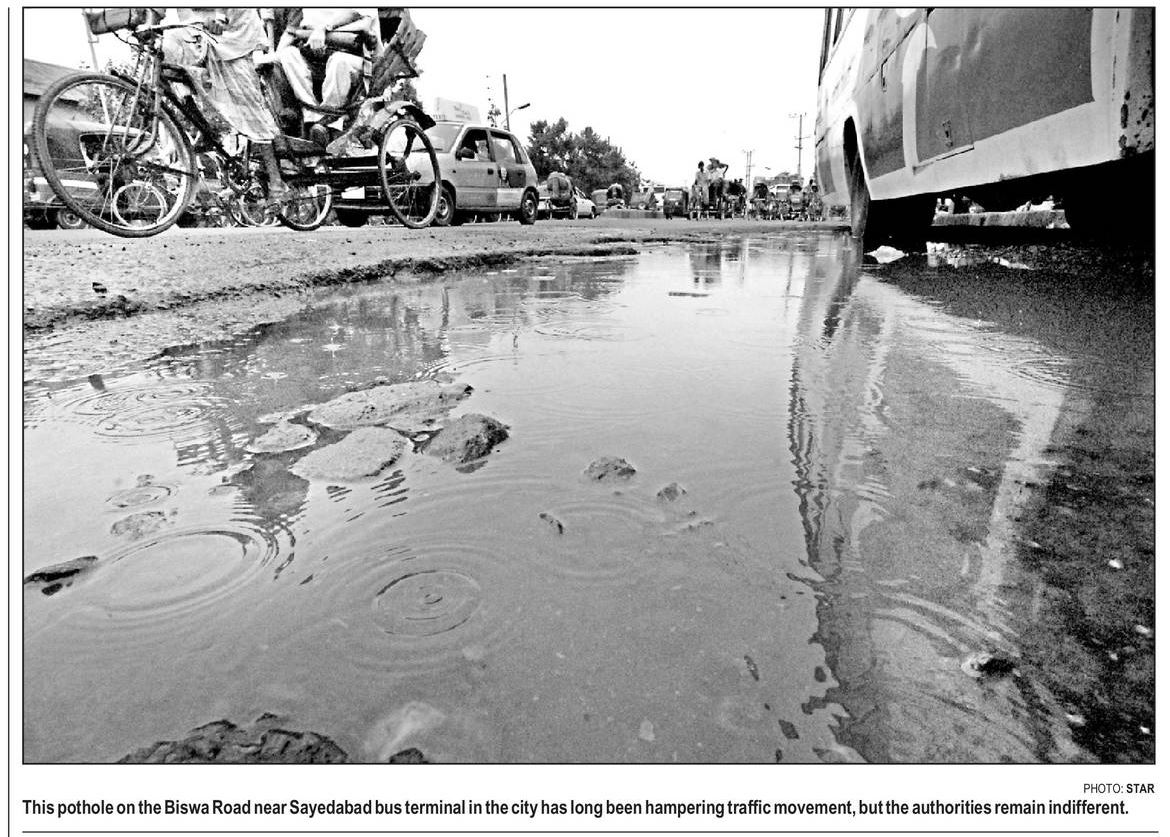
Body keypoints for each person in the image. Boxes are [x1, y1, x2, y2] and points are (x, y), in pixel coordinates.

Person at [163, 9, 286, 202]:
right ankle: (203, 128)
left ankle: (276, 181)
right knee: (164, 52)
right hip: (201, 32)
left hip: (236, 32)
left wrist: (220, 16)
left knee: (250, 108)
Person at [276, 8, 378, 147]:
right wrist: (273, 56)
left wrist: (323, 30)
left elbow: (363, 23)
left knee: (339, 61)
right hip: (314, 55)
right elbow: (291, 31)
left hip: (355, 56)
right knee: (288, 55)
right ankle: (312, 118)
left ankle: (330, 124)